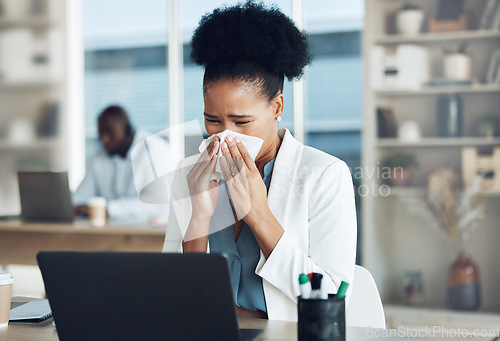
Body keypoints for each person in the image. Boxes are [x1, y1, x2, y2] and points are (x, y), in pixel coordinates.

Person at [162, 2, 356, 321]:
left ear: (277, 106)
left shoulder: (325, 175)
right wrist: (198, 218)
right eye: (212, 119)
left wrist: (260, 217)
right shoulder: (191, 174)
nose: (225, 135)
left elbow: (331, 299)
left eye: (241, 121)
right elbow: (172, 295)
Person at [73, 105, 168, 221]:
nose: (104, 139)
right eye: (101, 134)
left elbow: (158, 206)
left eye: (110, 132)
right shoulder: (101, 156)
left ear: (127, 129)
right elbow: (80, 196)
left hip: (149, 233)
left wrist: (108, 208)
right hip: (112, 232)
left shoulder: (154, 151)